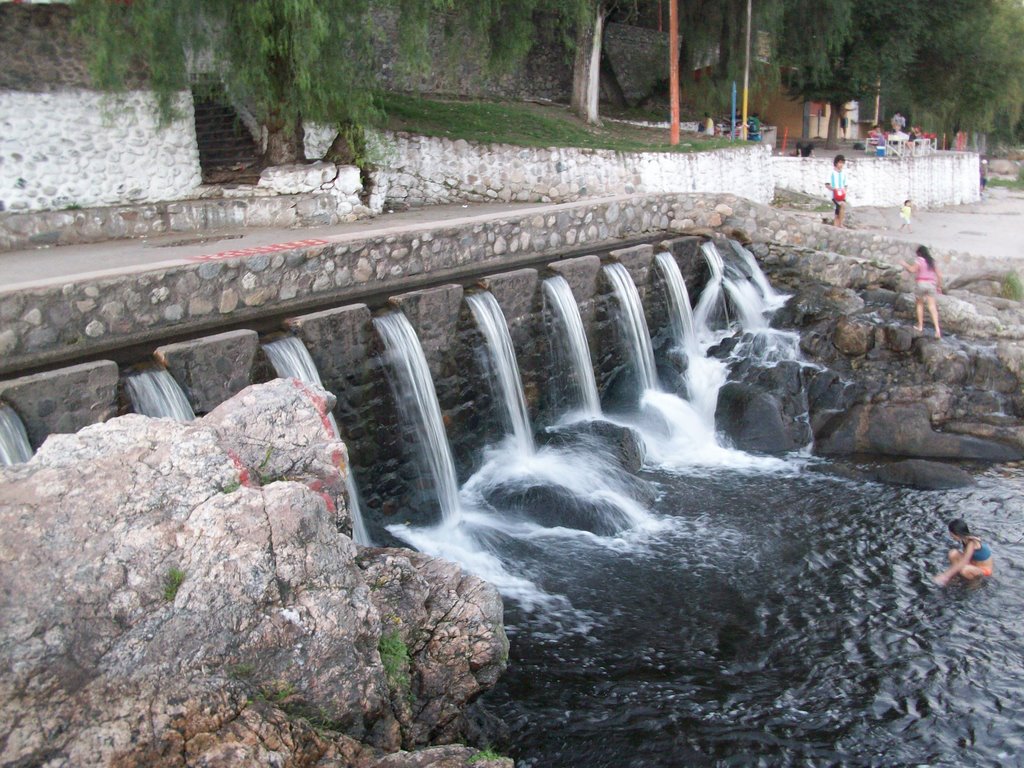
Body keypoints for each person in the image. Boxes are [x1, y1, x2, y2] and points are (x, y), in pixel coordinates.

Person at [934, 518, 994, 586]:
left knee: (965, 570)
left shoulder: (972, 542)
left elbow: (964, 561)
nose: (951, 536)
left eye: (951, 534)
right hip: (973, 564)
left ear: (957, 533)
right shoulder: (964, 538)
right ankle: (956, 577)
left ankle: (975, 585)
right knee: (953, 553)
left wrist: (945, 575)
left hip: (985, 570)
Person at [902, 244, 942, 338]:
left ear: (919, 253)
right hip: (931, 285)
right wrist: (939, 286)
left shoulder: (919, 260)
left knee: (920, 304)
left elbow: (912, 270)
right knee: (932, 307)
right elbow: (940, 275)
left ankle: (920, 326)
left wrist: (904, 264)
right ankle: (937, 330)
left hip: (921, 284)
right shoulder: (932, 261)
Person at [824, 154, 848, 228]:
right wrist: (835, 189)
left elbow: (845, 185)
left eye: (842, 163)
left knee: (839, 209)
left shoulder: (844, 174)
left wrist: (844, 191)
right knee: (841, 206)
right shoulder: (831, 173)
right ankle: (840, 224)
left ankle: (838, 224)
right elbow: (827, 184)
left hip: (841, 195)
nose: (841, 165)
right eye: (839, 162)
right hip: (834, 195)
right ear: (836, 163)